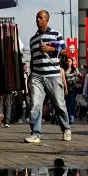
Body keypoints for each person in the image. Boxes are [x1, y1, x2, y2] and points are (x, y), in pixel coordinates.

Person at [25, 10, 72, 143]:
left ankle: (66, 129)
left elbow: (66, 50)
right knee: (35, 105)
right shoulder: (33, 39)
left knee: (59, 104)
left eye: (41, 18)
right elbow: (33, 60)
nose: (38, 20)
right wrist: (30, 77)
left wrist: (51, 49)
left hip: (53, 75)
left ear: (47, 19)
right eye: (37, 18)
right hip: (37, 76)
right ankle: (35, 133)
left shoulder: (56, 34)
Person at [61, 55, 81, 125]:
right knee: (66, 103)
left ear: (72, 62)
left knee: (71, 103)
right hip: (65, 88)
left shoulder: (75, 69)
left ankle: (71, 118)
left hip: (74, 88)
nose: (69, 63)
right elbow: (63, 80)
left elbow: (78, 79)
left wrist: (79, 77)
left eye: (70, 61)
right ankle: (66, 118)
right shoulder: (63, 69)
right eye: (67, 61)